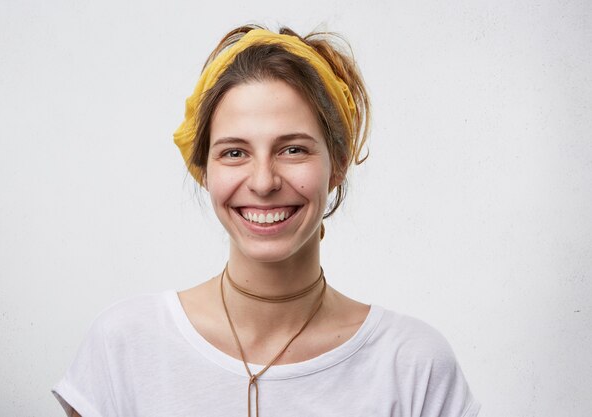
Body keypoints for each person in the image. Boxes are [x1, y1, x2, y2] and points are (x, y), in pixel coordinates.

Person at [52, 25, 480, 417]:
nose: (263, 181)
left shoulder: (414, 365)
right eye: (234, 152)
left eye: (293, 149)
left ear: (338, 165)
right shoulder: (124, 346)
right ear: (204, 170)